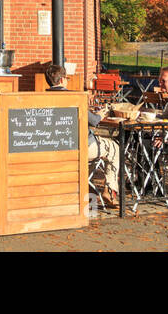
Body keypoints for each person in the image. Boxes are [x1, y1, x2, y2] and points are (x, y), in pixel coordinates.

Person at [47, 63, 119, 209]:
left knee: (87, 163)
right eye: (66, 78)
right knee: (114, 148)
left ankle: (88, 191)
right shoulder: (74, 97)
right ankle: (109, 191)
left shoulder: (43, 97)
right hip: (82, 145)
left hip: (57, 147)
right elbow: (93, 121)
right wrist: (100, 114)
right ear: (62, 80)